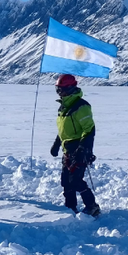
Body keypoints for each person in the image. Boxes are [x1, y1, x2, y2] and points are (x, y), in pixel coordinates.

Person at [49, 74, 100, 217]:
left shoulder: (81, 106)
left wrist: (83, 149)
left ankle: (92, 206)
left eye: (62, 90)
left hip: (79, 149)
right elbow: (63, 130)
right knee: (66, 181)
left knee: (76, 180)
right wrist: (56, 144)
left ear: (71, 88)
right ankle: (70, 207)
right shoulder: (63, 107)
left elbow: (89, 129)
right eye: (57, 90)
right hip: (67, 148)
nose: (60, 93)